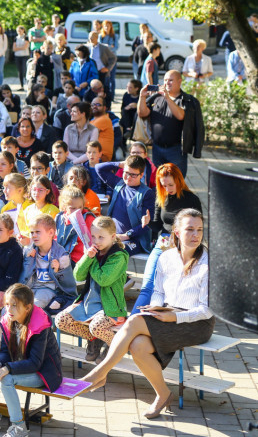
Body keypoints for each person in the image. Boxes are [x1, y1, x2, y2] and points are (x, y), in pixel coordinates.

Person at [81, 209, 213, 419]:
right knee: (137, 345)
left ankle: (100, 373)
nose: (195, 235)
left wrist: (174, 317)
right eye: (190, 229)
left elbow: (207, 310)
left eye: (199, 230)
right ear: (177, 232)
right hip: (168, 314)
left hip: (197, 323)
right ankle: (163, 394)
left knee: (134, 321)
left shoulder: (208, 263)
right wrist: (157, 308)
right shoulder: (166, 257)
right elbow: (158, 292)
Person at [0, 284, 63, 437]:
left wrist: (7, 368)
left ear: (28, 308)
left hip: (44, 373)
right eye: (7, 304)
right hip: (22, 367)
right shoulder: (9, 320)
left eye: (14, 305)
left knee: (6, 379)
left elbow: (35, 363)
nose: (9, 309)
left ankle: (19, 428)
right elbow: (5, 352)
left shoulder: (40, 325)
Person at [55, 216, 129, 363]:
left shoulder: (119, 256)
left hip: (111, 308)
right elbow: (78, 275)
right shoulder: (93, 252)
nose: (96, 241)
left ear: (113, 237)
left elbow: (103, 279)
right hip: (90, 303)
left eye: (101, 237)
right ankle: (95, 339)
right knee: (61, 320)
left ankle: (114, 345)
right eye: (93, 236)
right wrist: (87, 257)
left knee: (96, 327)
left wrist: (93, 260)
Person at [133, 163, 202, 311]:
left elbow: (197, 228)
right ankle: (134, 318)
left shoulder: (191, 199)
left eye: (170, 185)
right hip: (163, 242)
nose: (167, 189)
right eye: (163, 185)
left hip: (183, 244)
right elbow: (157, 226)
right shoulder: (162, 197)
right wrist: (148, 222)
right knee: (148, 284)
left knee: (167, 289)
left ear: (178, 180)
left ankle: (155, 316)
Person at [137, 70, 204, 176]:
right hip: (157, 148)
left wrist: (167, 97)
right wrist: (142, 97)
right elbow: (142, 113)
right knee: (159, 181)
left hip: (176, 150)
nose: (167, 83)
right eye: (165, 80)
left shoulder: (187, 100)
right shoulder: (156, 98)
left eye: (171, 80)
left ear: (179, 81)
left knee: (176, 181)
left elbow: (181, 115)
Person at [96, 155, 156, 255]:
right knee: (95, 248)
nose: (128, 177)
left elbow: (147, 225)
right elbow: (99, 168)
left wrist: (126, 235)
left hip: (135, 240)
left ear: (141, 175)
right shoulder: (119, 184)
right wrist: (119, 164)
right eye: (126, 172)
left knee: (115, 252)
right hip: (113, 235)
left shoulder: (147, 193)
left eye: (133, 175)